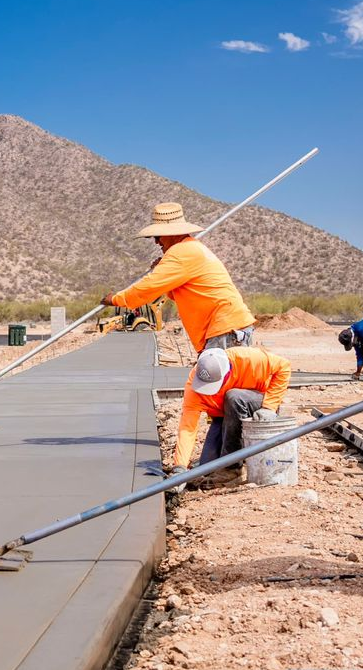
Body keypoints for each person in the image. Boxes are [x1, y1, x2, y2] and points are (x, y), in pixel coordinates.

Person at [101, 202, 254, 354]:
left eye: (158, 236)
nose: (156, 242)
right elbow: (177, 295)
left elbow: (147, 289)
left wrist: (115, 299)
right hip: (226, 328)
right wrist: (163, 269)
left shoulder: (181, 252)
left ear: (171, 233)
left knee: (218, 378)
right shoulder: (190, 248)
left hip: (225, 329)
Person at [175, 345, 291, 475]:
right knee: (207, 466)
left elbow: (284, 366)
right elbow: (187, 428)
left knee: (234, 396)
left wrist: (269, 406)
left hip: (258, 407)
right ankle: (230, 457)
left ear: (227, 373)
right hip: (225, 415)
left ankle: (233, 468)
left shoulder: (248, 359)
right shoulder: (194, 387)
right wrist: (180, 466)